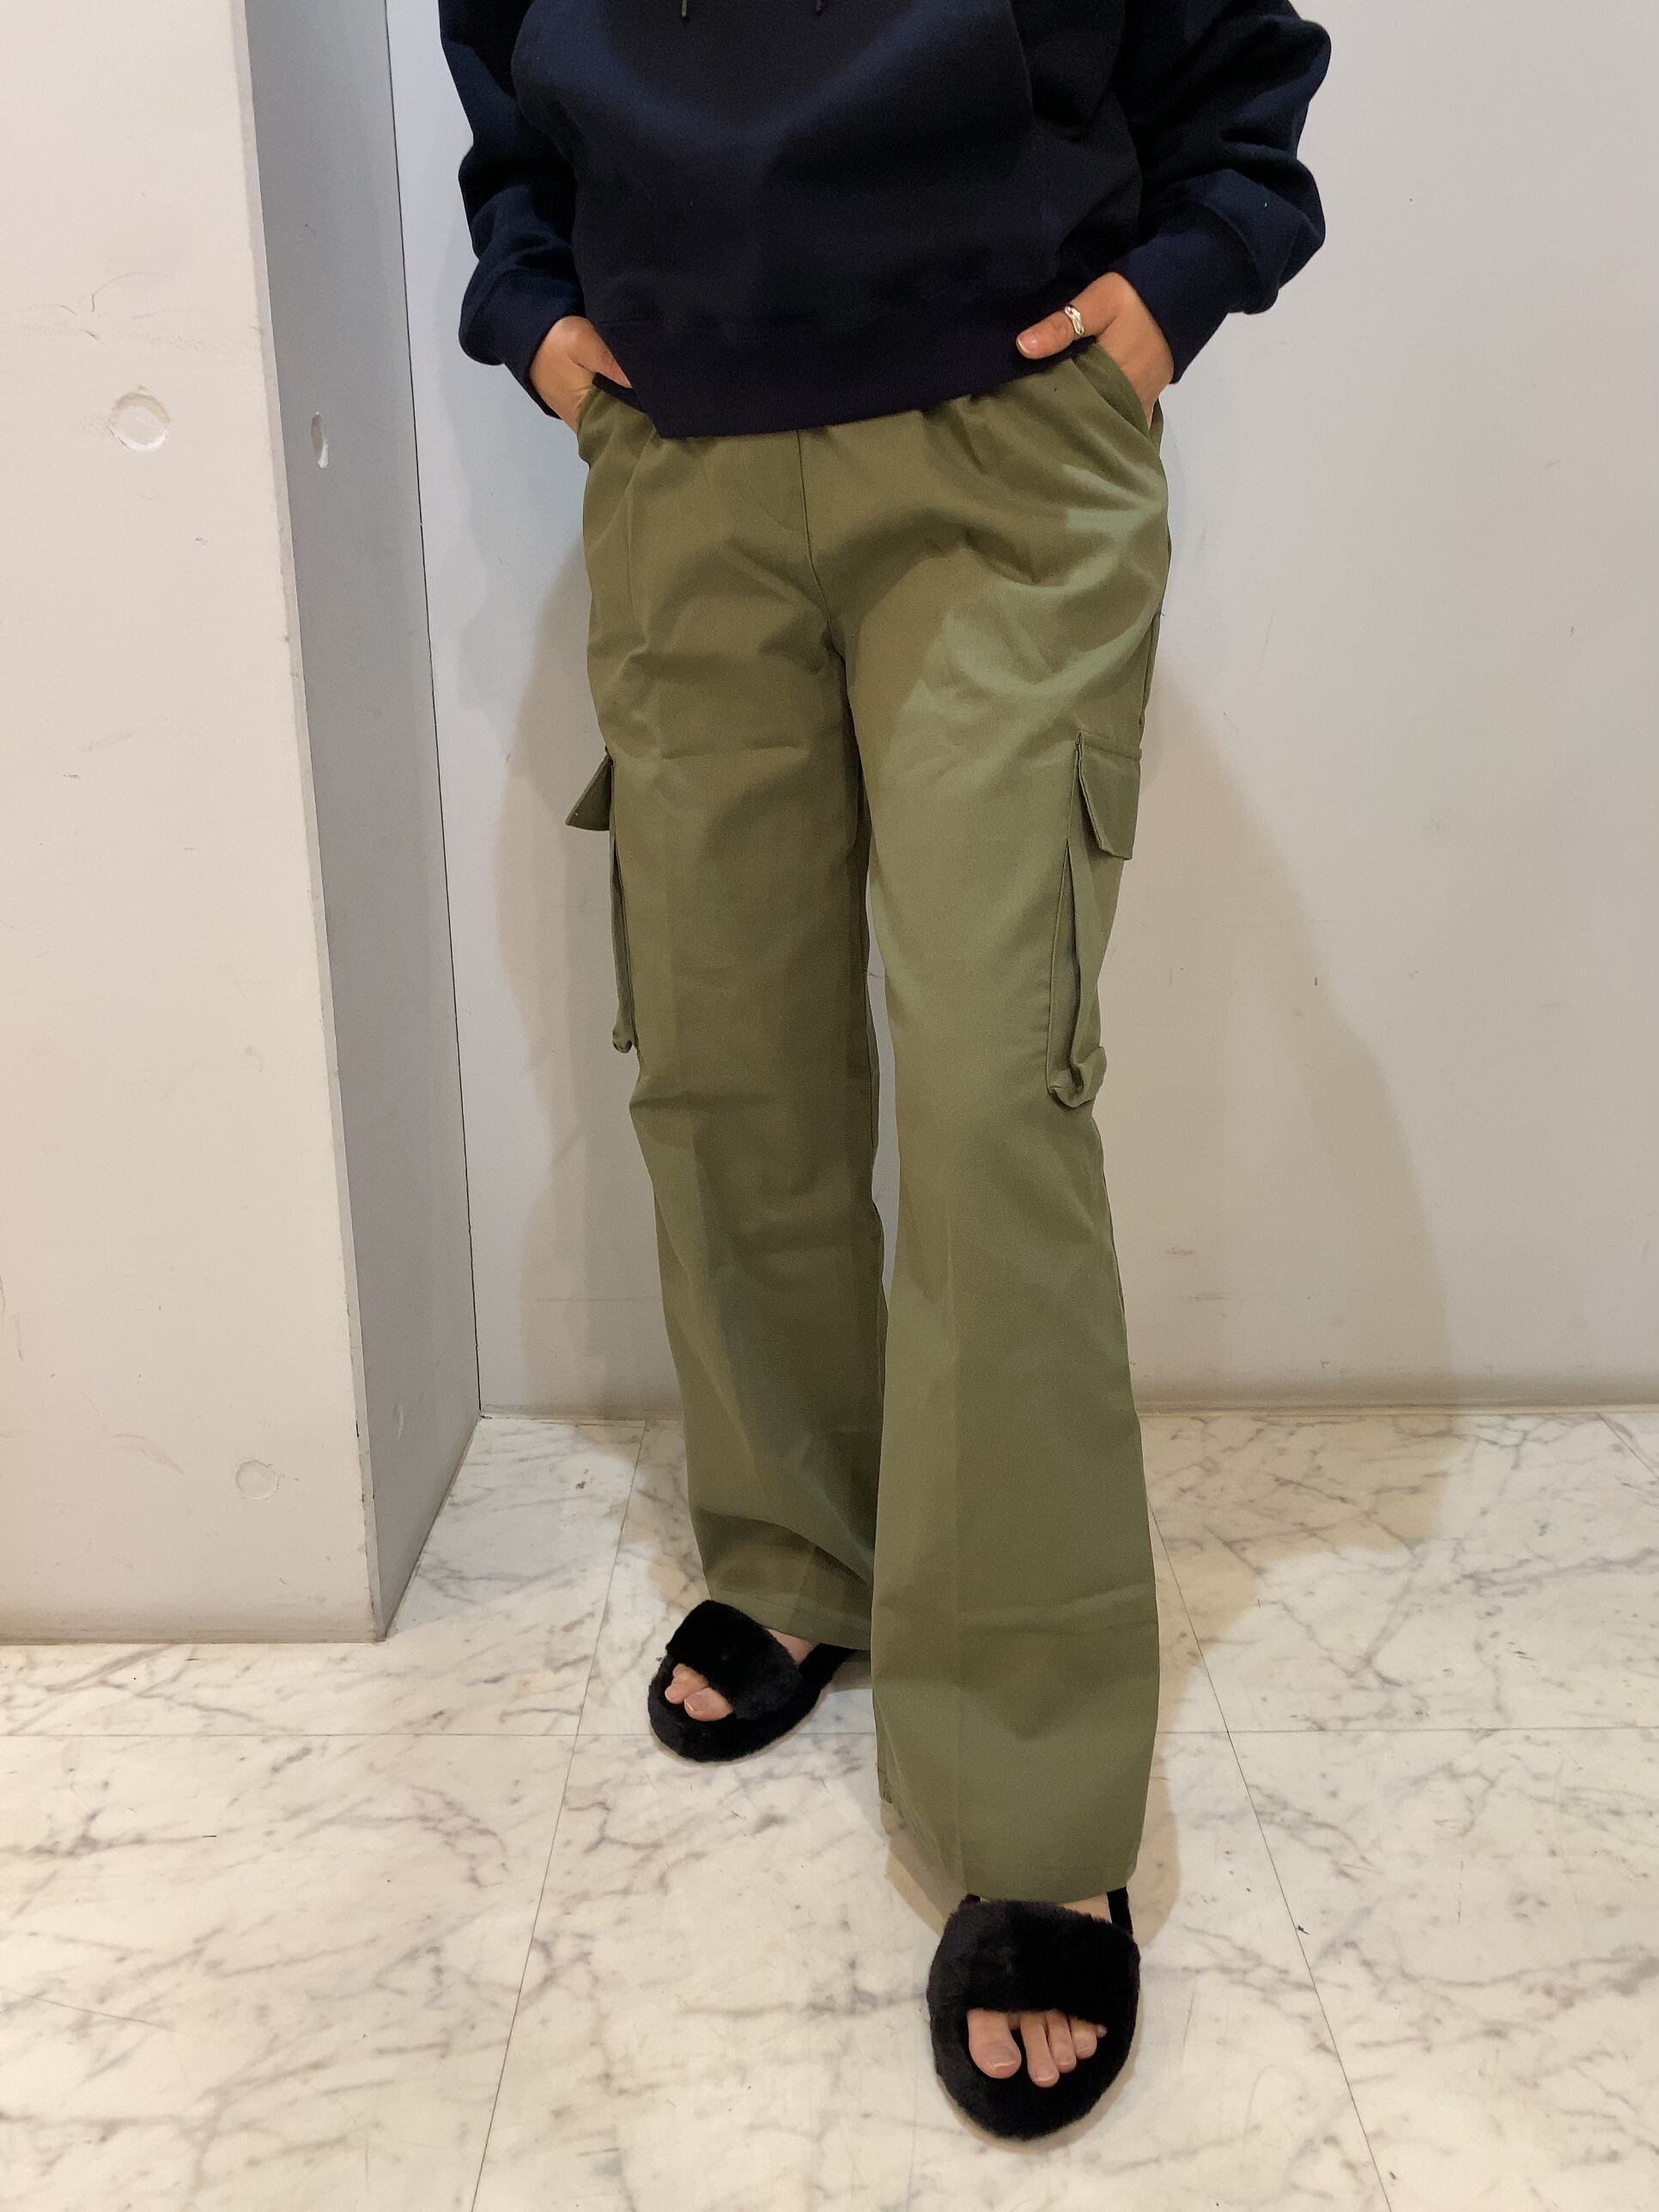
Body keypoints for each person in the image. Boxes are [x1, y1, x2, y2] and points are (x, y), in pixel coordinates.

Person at [440, 0, 1328, 2142]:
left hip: (1003, 441)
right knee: (720, 1056)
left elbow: (1239, 72)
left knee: (996, 1096)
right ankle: (797, 1552)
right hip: (679, 456)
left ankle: (1032, 1787)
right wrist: (543, 321)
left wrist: (1176, 287)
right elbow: (505, 82)